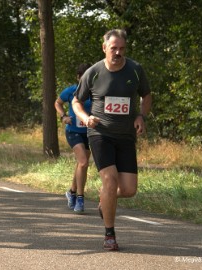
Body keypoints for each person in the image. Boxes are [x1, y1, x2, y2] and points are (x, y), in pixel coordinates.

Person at [72, 29, 152, 251]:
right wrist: (86, 118)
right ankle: (109, 234)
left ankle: (105, 200)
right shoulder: (93, 72)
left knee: (128, 190)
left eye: (121, 48)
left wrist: (141, 116)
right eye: (113, 48)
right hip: (100, 134)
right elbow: (76, 102)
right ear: (104, 47)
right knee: (110, 179)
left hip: (126, 135)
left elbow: (146, 96)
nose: (117, 52)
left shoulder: (135, 70)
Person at [54, 63, 92, 214]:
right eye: (83, 77)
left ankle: (71, 191)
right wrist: (63, 116)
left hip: (89, 132)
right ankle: (80, 199)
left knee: (81, 164)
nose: (86, 81)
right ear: (78, 77)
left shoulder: (96, 92)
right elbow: (57, 103)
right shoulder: (71, 91)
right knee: (83, 162)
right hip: (73, 131)